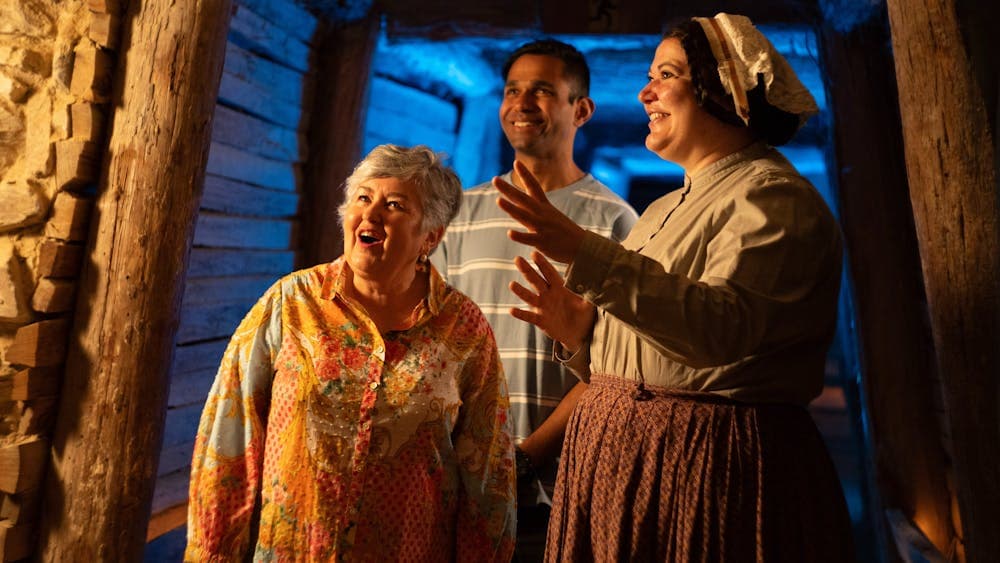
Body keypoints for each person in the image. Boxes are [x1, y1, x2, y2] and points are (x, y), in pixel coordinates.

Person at [495, 14, 855, 562]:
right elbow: (657, 354)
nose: (645, 91)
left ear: (724, 88)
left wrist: (581, 251)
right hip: (630, 467)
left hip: (702, 468)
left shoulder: (773, 201)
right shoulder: (664, 208)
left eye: (666, 74)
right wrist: (583, 339)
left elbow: (722, 333)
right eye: (650, 75)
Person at [185, 144, 516, 561]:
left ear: (430, 237)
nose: (371, 214)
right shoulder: (290, 304)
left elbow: (488, 479)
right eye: (363, 197)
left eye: (394, 205)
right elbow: (228, 444)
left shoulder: (464, 329)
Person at [431, 39, 638, 560]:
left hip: (563, 485)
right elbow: (431, 343)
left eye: (543, 91)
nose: (521, 103)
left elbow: (620, 367)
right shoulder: (462, 211)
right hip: (458, 477)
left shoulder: (613, 221)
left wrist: (524, 460)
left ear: (582, 110)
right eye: (512, 90)